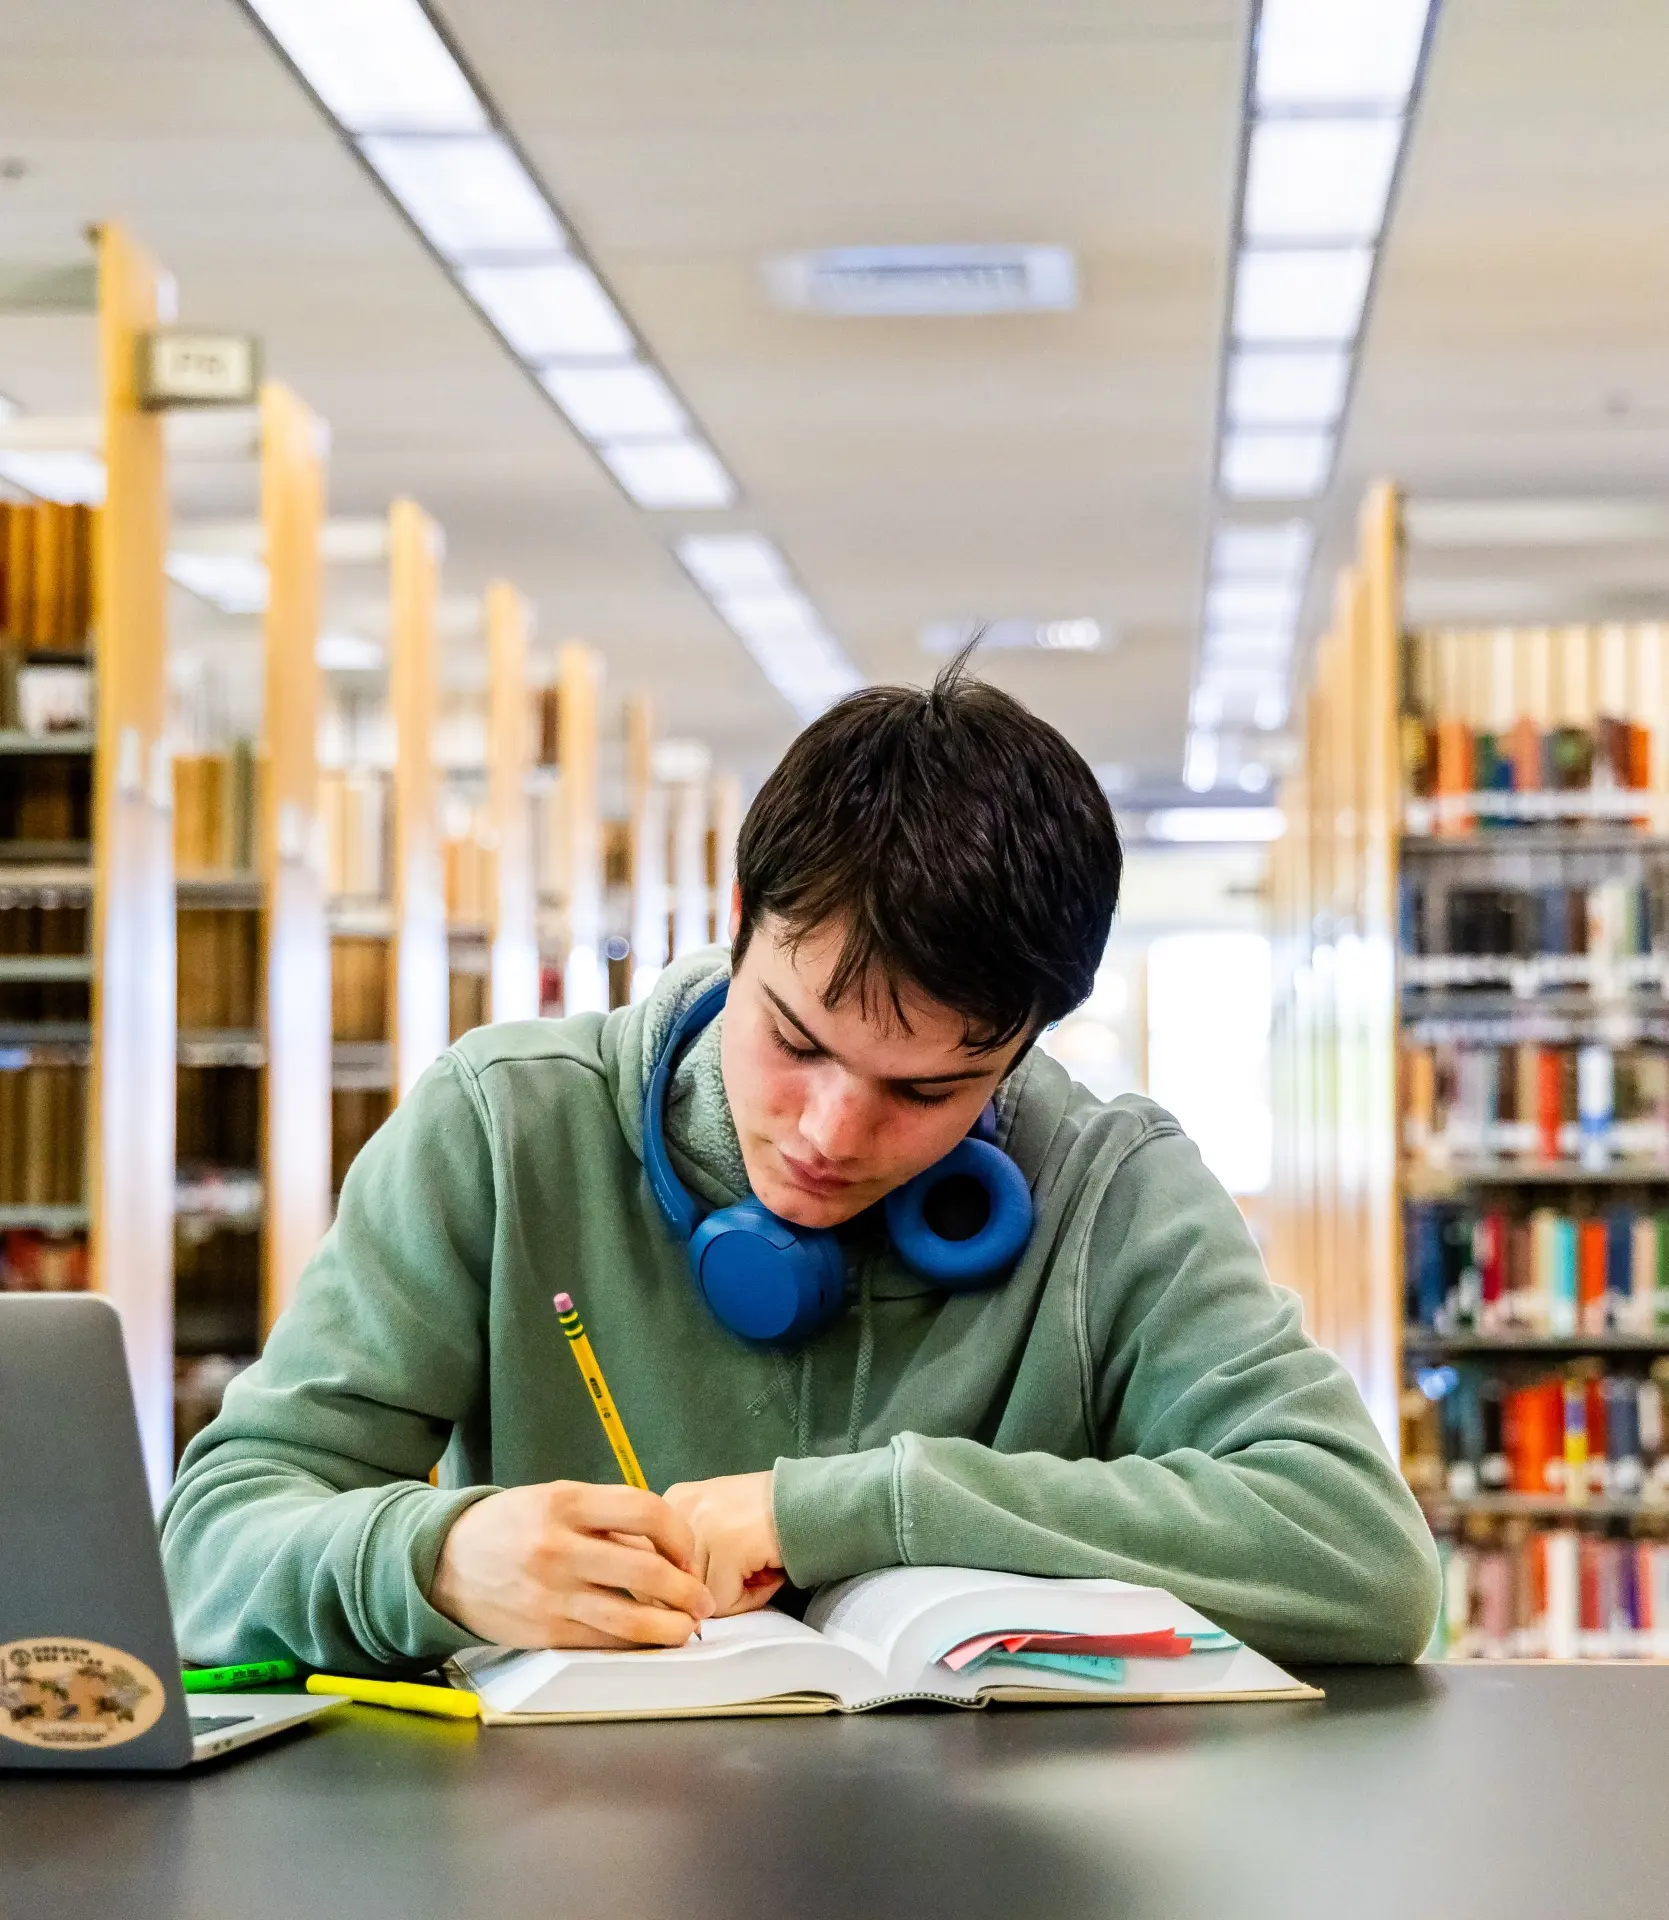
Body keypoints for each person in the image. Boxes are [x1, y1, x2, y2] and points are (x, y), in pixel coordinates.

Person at [162, 657, 1439, 1671]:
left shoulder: (1114, 1186)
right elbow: (208, 1545)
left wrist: (844, 1511)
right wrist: (431, 1559)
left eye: (928, 1090)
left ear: (1022, 1054)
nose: (830, 1131)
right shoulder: (502, 1129)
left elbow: (1364, 1559)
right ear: (736, 930)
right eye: (795, 1038)